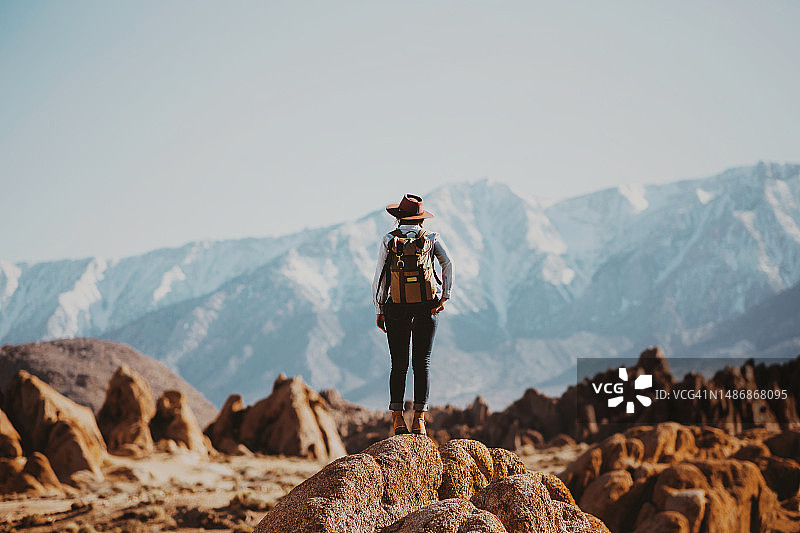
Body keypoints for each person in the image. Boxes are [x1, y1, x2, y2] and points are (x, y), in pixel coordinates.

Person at [372, 193, 453, 435]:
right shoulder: (431, 238)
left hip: (396, 307)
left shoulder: (389, 240)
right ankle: (419, 420)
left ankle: (398, 419)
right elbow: (448, 263)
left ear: (399, 217)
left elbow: (380, 277)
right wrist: (445, 295)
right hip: (426, 306)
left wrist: (380, 308)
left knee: (399, 363)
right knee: (422, 362)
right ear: (420, 219)